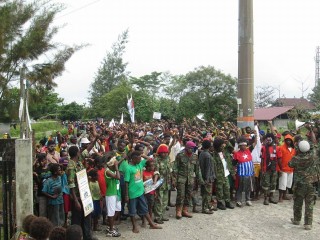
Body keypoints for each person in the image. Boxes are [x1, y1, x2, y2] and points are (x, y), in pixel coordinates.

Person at [124, 151, 162, 233]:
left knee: (145, 208)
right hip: (132, 193)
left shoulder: (139, 164)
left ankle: (151, 224)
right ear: (133, 159)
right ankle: (134, 226)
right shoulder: (128, 168)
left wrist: (140, 154)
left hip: (141, 192)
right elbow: (126, 182)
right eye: (138, 158)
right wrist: (126, 195)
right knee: (132, 211)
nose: (140, 160)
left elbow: (150, 159)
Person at [288, 140, 319, 230]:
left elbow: (289, 164)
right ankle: (308, 224)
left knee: (298, 202)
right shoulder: (313, 156)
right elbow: (314, 145)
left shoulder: (296, 159)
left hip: (300, 185)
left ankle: (297, 220)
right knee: (309, 204)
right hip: (311, 184)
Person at [67, 146, 95, 240]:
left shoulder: (78, 162)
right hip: (78, 198)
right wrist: (76, 201)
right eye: (79, 152)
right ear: (77, 153)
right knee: (77, 220)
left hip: (84, 196)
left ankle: (87, 236)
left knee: (86, 218)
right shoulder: (71, 166)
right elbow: (71, 185)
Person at [172, 141, 203, 219]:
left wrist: (200, 179)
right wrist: (174, 179)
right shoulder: (180, 155)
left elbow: (197, 169)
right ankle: (178, 210)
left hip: (190, 179)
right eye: (190, 148)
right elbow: (175, 168)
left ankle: (185, 210)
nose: (192, 150)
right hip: (181, 179)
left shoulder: (195, 157)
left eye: (193, 148)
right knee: (181, 195)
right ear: (186, 148)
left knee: (188, 194)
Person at [212, 138, 235, 210]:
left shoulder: (224, 152)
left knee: (227, 188)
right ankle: (220, 203)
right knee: (219, 190)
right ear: (217, 147)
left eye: (223, 145)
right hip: (219, 175)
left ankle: (227, 202)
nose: (223, 147)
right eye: (221, 146)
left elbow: (231, 148)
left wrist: (227, 141)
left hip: (226, 173)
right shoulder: (214, 155)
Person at [260, 133, 282, 205]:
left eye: (270, 139)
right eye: (267, 139)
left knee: (273, 183)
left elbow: (279, 159)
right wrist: (262, 169)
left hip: (274, 169)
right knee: (266, 184)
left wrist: (280, 169)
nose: (268, 140)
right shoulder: (263, 148)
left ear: (272, 139)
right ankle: (265, 198)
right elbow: (262, 159)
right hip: (266, 169)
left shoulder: (277, 148)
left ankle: (271, 197)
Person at [233, 138, 254, 207]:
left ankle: (248, 199)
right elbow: (233, 165)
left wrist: (256, 133)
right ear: (239, 146)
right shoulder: (237, 154)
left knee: (248, 187)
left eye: (245, 145)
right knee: (239, 188)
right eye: (242, 145)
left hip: (249, 173)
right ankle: (239, 201)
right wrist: (234, 173)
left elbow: (255, 143)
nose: (244, 147)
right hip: (241, 174)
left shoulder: (248, 151)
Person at [153, 144, 171, 223]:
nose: (164, 154)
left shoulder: (167, 159)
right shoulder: (157, 160)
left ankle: (162, 215)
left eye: (165, 152)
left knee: (165, 200)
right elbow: (156, 171)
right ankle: (157, 217)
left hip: (167, 182)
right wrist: (155, 182)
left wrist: (173, 179)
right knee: (159, 201)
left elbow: (170, 169)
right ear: (159, 153)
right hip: (159, 182)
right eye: (162, 153)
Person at [105, 157, 122, 237]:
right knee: (111, 213)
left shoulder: (112, 170)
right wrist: (117, 168)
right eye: (115, 164)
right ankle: (111, 230)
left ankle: (110, 225)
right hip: (110, 194)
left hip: (116, 193)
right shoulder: (108, 171)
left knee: (118, 209)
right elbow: (118, 177)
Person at [198, 139, 215, 214]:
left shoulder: (202, 153)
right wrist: (207, 179)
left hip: (203, 176)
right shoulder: (207, 155)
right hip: (207, 177)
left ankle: (206, 206)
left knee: (205, 193)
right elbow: (208, 168)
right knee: (207, 193)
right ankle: (205, 208)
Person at [278, 134, 296, 202]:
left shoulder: (293, 149)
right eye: (287, 140)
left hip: (291, 169)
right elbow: (279, 159)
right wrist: (280, 168)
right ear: (285, 140)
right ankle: (280, 197)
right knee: (282, 183)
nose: (288, 141)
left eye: (290, 140)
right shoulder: (281, 148)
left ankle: (284, 195)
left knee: (288, 184)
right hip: (283, 169)